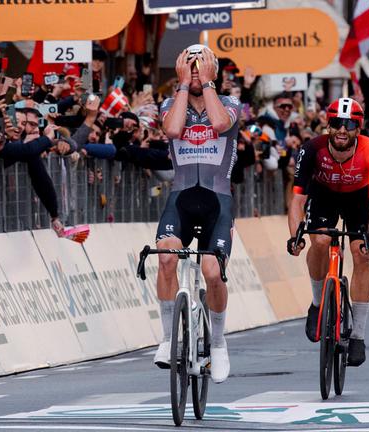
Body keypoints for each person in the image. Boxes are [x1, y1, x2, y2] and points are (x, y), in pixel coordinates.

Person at [153, 44, 240, 384]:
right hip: (182, 198)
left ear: (214, 71)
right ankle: (165, 339)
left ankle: (217, 343)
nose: (194, 69)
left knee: (212, 271)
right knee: (165, 258)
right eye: (188, 64)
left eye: (201, 64)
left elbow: (219, 124)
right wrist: (181, 87)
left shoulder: (230, 102)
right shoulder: (171, 103)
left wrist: (207, 84)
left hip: (218, 200)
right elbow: (173, 130)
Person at [286, 97, 369, 367]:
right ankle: (318, 303)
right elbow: (297, 199)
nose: (342, 129)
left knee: (360, 253)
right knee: (320, 240)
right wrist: (296, 236)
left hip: (359, 198)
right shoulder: (312, 149)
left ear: (359, 127)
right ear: (327, 125)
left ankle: (358, 336)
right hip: (324, 194)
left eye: (349, 124)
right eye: (337, 123)